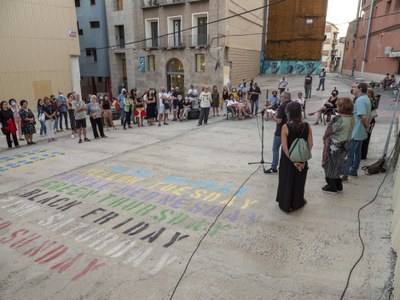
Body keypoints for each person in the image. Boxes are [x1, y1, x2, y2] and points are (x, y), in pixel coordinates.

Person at [276, 102, 313, 212]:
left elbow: (284, 147)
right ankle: (297, 202)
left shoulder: (285, 127)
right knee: (299, 181)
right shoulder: (307, 126)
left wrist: (293, 161)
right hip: (302, 157)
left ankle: (285, 203)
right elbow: (310, 144)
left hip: (288, 159)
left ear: (289, 113)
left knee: (286, 180)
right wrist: (302, 160)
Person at [321, 97, 355, 193]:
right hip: (346, 144)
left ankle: (331, 186)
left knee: (330, 164)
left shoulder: (338, 119)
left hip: (335, 145)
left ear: (341, 107)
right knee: (339, 163)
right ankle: (338, 184)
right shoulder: (352, 117)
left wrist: (324, 137)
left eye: (338, 105)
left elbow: (329, 131)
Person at [343, 82, 372, 181]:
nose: (353, 89)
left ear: (360, 89)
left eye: (354, 87)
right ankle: (354, 170)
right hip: (361, 131)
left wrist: (367, 126)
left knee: (350, 153)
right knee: (357, 152)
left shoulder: (360, 100)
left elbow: (362, 116)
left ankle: (345, 174)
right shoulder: (366, 99)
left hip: (357, 130)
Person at [265, 91, 291, 174]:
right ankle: (286, 167)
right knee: (287, 149)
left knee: (275, 149)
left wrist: (272, 115)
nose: (280, 98)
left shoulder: (282, 106)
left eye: (281, 96)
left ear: (284, 97)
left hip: (280, 132)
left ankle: (274, 167)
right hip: (291, 131)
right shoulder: (293, 105)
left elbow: (279, 121)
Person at [361, 88, 378, 159]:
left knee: (365, 138)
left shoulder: (370, 101)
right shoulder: (371, 101)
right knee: (366, 138)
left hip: (370, 121)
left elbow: (372, 114)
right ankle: (363, 154)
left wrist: (367, 124)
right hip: (371, 121)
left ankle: (363, 155)